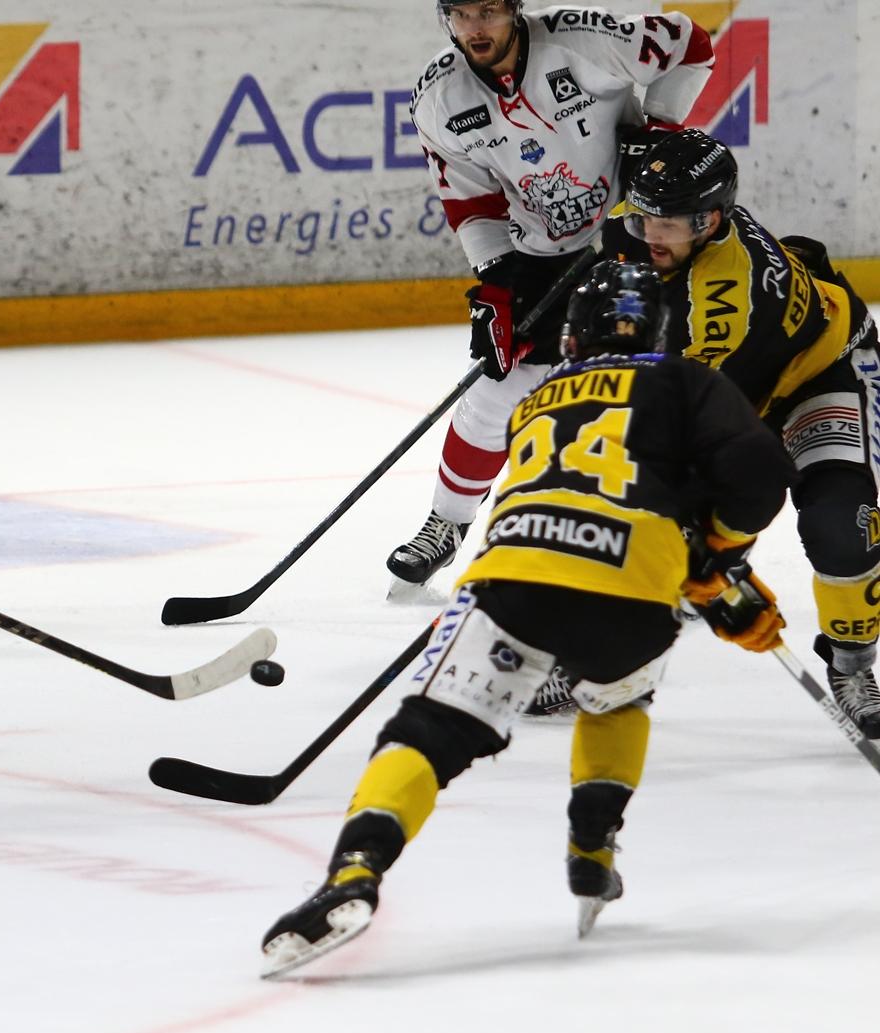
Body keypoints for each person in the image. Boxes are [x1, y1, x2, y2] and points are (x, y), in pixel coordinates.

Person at [260, 261, 797, 979]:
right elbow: (756, 473)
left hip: (514, 580)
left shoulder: (536, 399)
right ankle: (592, 849)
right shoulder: (686, 381)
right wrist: (717, 559)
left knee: (429, 731)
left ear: (574, 335)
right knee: (618, 700)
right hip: (633, 596)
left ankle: (354, 871)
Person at [385, 0, 713, 592]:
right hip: (538, 251)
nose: (476, 27)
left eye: (489, 9)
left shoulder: (583, 39)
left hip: (635, 234)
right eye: (462, 14)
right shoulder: (440, 97)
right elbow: (471, 201)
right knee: (495, 391)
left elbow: (691, 44)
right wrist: (496, 282)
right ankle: (447, 523)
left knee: (647, 390)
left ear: (515, 9)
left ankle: (681, 537)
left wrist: (659, 134)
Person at [606, 129, 880, 737]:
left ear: (709, 221)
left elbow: (718, 443)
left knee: (841, 524)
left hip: (820, 373)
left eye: (666, 225)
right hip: (742, 383)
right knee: (670, 534)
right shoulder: (680, 223)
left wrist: (717, 554)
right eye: (642, 217)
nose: (650, 234)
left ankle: (853, 665)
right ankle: (605, 661)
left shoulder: (721, 307)